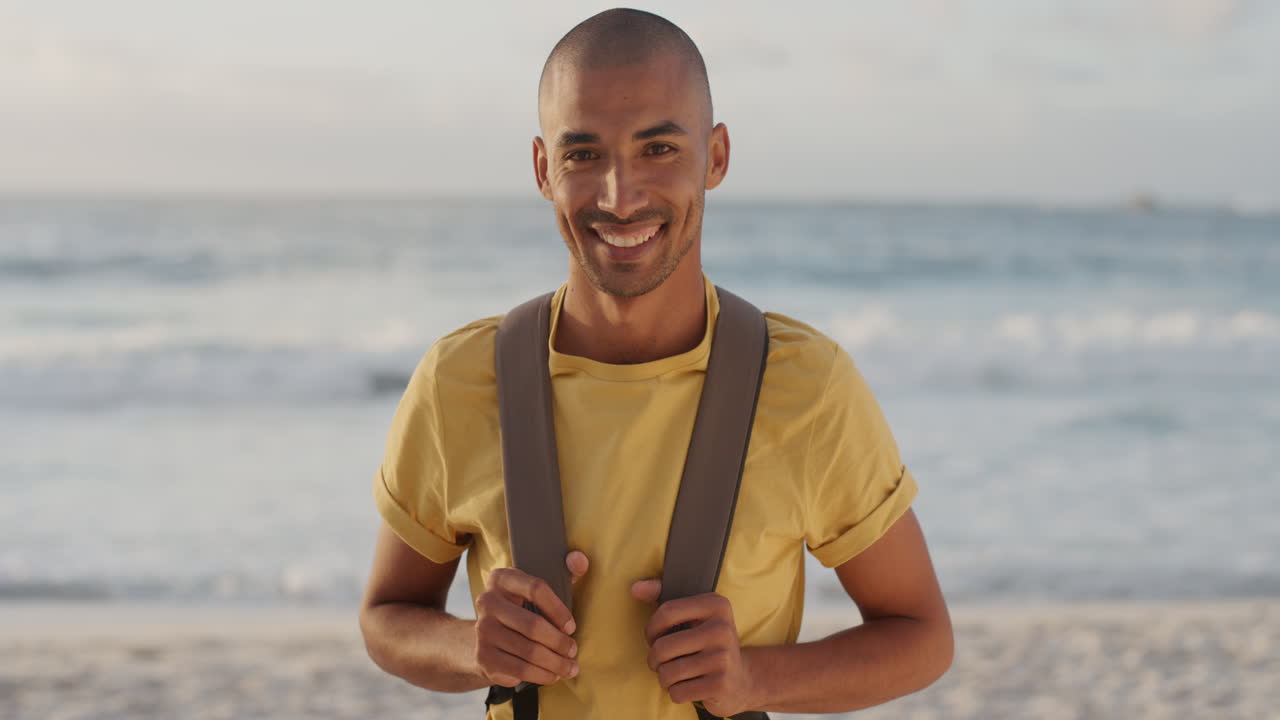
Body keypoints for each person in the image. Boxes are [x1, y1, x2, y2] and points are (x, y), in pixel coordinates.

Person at [359, 8, 952, 719]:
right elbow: (388, 617)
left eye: (658, 149)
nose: (620, 194)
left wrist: (753, 680)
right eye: (583, 155)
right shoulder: (461, 379)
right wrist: (472, 649)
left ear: (718, 156)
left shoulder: (807, 388)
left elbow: (922, 636)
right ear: (545, 169)